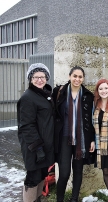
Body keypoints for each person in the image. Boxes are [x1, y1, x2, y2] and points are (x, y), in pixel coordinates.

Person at [52, 66, 96, 202]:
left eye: (80, 77)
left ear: (83, 79)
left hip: (81, 139)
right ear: (69, 76)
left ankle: (74, 199)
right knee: (64, 173)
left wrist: (92, 140)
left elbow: (92, 118)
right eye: (75, 76)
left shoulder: (88, 96)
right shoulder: (59, 92)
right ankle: (60, 199)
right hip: (64, 138)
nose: (77, 79)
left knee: (78, 171)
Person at [17, 63, 54, 202]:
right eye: (36, 77)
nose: (39, 80)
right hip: (34, 147)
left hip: (45, 145)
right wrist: (38, 148)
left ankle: (37, 199)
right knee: (32, 177)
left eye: (42, 77)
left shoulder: (44, 94)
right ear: (30, 79)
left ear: (46, 78)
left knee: (42, 175)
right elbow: (26, 126)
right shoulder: (28, 97)